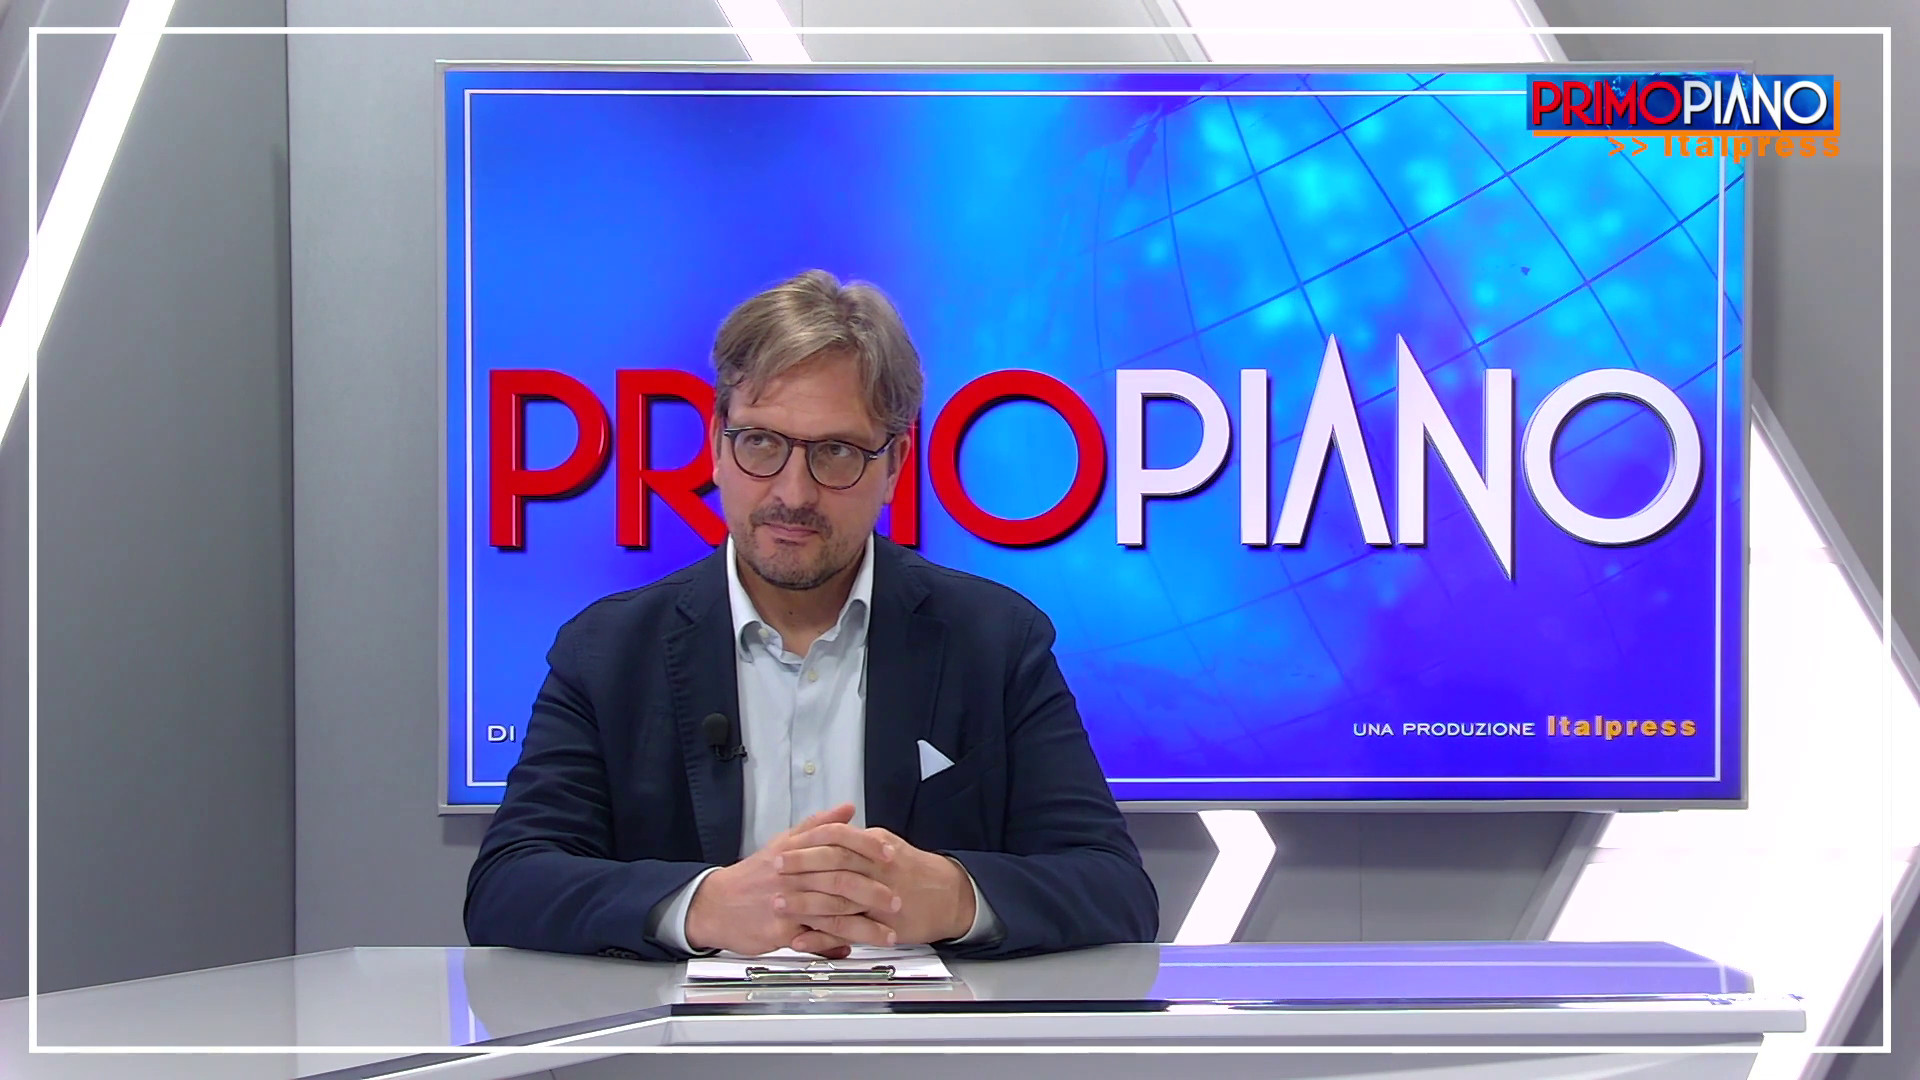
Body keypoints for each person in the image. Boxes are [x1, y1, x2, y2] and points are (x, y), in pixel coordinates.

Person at [464, 270, 1159, 961]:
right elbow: (508, 886)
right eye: (761, 443)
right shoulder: (608, 649)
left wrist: (950, 896)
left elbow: (1115, 889)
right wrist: (702, 907)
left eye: (836, 452)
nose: (793, 494)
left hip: (926, 1029)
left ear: (894, 465)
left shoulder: (996, 640)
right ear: (717, 444)